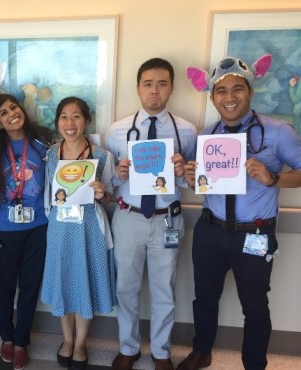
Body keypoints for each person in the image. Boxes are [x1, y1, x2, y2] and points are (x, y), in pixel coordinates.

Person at [177, 55, 301, 370]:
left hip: (255, 234)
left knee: (255, 307)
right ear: (212, 97)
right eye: (221, 91)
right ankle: (201, 352)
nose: (229, 98)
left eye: (237, 89)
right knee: (203, 298)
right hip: (210, 231)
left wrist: (273, 177)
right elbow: (196, 180)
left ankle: (254, 364)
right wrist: (191, 177)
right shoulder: (206, 136)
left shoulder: (278, 132)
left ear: (250, 92)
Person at [104, 58, 198, 370]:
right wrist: (118, 174)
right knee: (126, 288)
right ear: (138, 88)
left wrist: (183, 171)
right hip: (128, 218)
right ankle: (128, 348)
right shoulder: (118, 131)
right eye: (148, 84)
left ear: (171, 87)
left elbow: (194, 181)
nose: (154, 90)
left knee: (164, 290)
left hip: (166, 220)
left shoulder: (186, 131)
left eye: (161, 83)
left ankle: (161, 352)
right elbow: (108, 182)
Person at [41, 97, 117, 370]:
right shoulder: (51, 155)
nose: (69, 123)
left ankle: (81, 343)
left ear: (86, 121)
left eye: (76, 117)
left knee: (84, 281)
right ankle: (67, 339)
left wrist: (102, 194)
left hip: (89, 230)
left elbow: (110, 197)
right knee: (63, 282)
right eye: (64, 116)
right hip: (59, 229)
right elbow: (48, 195)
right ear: (58, 121)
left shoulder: (102, 156)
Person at [0, 94, 49, 370]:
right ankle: (6, 337)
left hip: (37, 226)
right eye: (3, 113)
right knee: (6, 286)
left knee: (30, 286)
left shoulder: (43, 143)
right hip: (4, 227)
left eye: (14, 107)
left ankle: (21, 341)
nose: (11, 113)